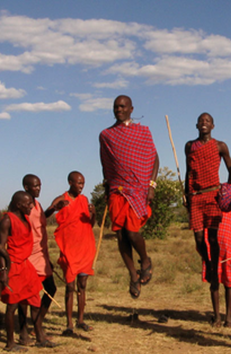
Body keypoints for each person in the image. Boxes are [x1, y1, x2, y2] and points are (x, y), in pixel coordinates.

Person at [99, 95, 159, 299]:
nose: (119, 109)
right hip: (117, 190)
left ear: (131, 109)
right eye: (116, 107)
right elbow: (105, 162)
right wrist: (107, 185)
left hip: (139, 189)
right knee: (121, 235)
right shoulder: (106, 135)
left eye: (123, 106)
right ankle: (133, 275)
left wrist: (152, 185)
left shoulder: (142, 132)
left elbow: (154, 158)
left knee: (132, 232)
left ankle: (146, 260)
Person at [185, 112, 231, 327]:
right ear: (196, 125)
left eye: (207, 121)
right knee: (198, 239)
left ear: (213, 126)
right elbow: (188, 172)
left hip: (213, 194)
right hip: (195, 197)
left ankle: (213, 267)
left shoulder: (220, 146)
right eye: (201, 121)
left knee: (213, 238)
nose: (204, 123)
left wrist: (229, 190)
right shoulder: (190, 146)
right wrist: (186, 194)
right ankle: (210, 264)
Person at [0, 191, 48, 351]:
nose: (31, 206)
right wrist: (4, 271)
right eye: (28, 204)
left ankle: (40, 337)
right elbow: (1, 248)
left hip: (26, 266)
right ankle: (10, 343)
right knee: (12, 306)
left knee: (35, 301)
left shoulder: (25, 218)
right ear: (19, 205)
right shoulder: (7, 220)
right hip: (12, 267)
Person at [49, 171, 96, 335]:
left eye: (83, 183)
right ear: (70, 182)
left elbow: (91, 223)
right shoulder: (61, 199)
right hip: (69, 249)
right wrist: (55, 207)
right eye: (78, 183)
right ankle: (69, 323)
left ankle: (80, 320)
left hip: (84, 248)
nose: (81, 186)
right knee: (70, 286)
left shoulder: (84, 200)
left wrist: (94, 212)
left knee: (82, 285)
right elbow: (45, 214)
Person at [17, 174, 60, 346]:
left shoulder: (38, 205)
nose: (38, 188)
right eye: (35, 186)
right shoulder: (24, 207)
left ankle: (37, 325)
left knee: (51, 288)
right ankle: (23, 332)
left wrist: (53, 210)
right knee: (26, 296)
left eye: (39, 185)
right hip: (28, 256)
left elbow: (41, 221)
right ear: (26, 188)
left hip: (41, 255)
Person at [201, 207, 231, 327]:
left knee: (229, 284)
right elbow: (204, 230)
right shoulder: (210, 208)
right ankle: (217, 316)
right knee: (214, 283)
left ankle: (228, 318)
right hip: (213, 251)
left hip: (230, 250)